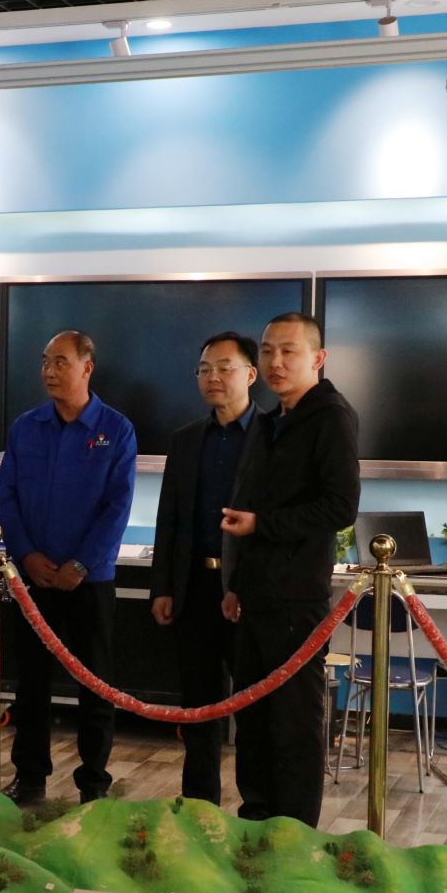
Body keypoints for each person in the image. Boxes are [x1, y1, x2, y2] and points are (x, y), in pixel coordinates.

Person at [219, 311, 360, 826]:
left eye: (288, 351)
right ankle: (255, 821)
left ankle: (296, 834)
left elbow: (340, 507)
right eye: (267, 350)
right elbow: (248, 498)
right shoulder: (269, 419)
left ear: (318, 358)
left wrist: (263, 524)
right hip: (254, 596)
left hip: (298, 599)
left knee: (294, 724)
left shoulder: (332, 417)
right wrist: (235, 584)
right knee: (252, 719)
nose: (275, 362)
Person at [0, 331, 137, 806]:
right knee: (30, 684)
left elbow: (118, 505)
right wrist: (26, 554)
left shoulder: (116, 429)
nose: (49, 371)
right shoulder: (25, 427)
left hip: (88, 582)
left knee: (95, 684)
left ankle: (94, 783)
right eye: (45, 362)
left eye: (60, 362)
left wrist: (81, 563)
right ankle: (29, 777)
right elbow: (7, 494)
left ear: (86, 368)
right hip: (34, 579)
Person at [150, 332, 264, 805]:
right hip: (193, 584)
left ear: (251, 374)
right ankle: (199, 806)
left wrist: (244, 584)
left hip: (247, 590)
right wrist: (163, 587)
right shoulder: (185, 439)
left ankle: (256, 808)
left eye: (224, 367)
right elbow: (169, 519)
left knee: (253, 706)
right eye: (204, 369)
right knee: (197, 704)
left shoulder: (272, 436)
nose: (212, 377)